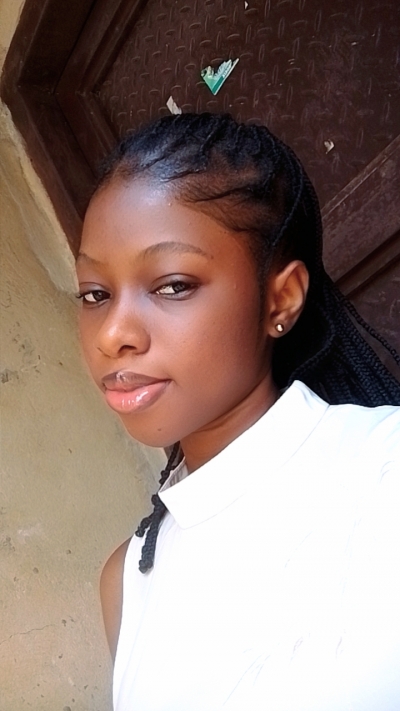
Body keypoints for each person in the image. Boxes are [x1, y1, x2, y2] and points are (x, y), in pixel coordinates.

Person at [76, 113, 400, 710]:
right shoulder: (126, 583)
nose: (112, 333)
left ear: (281, 298)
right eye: (95, 294)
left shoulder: (382, 470)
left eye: (173, 285)